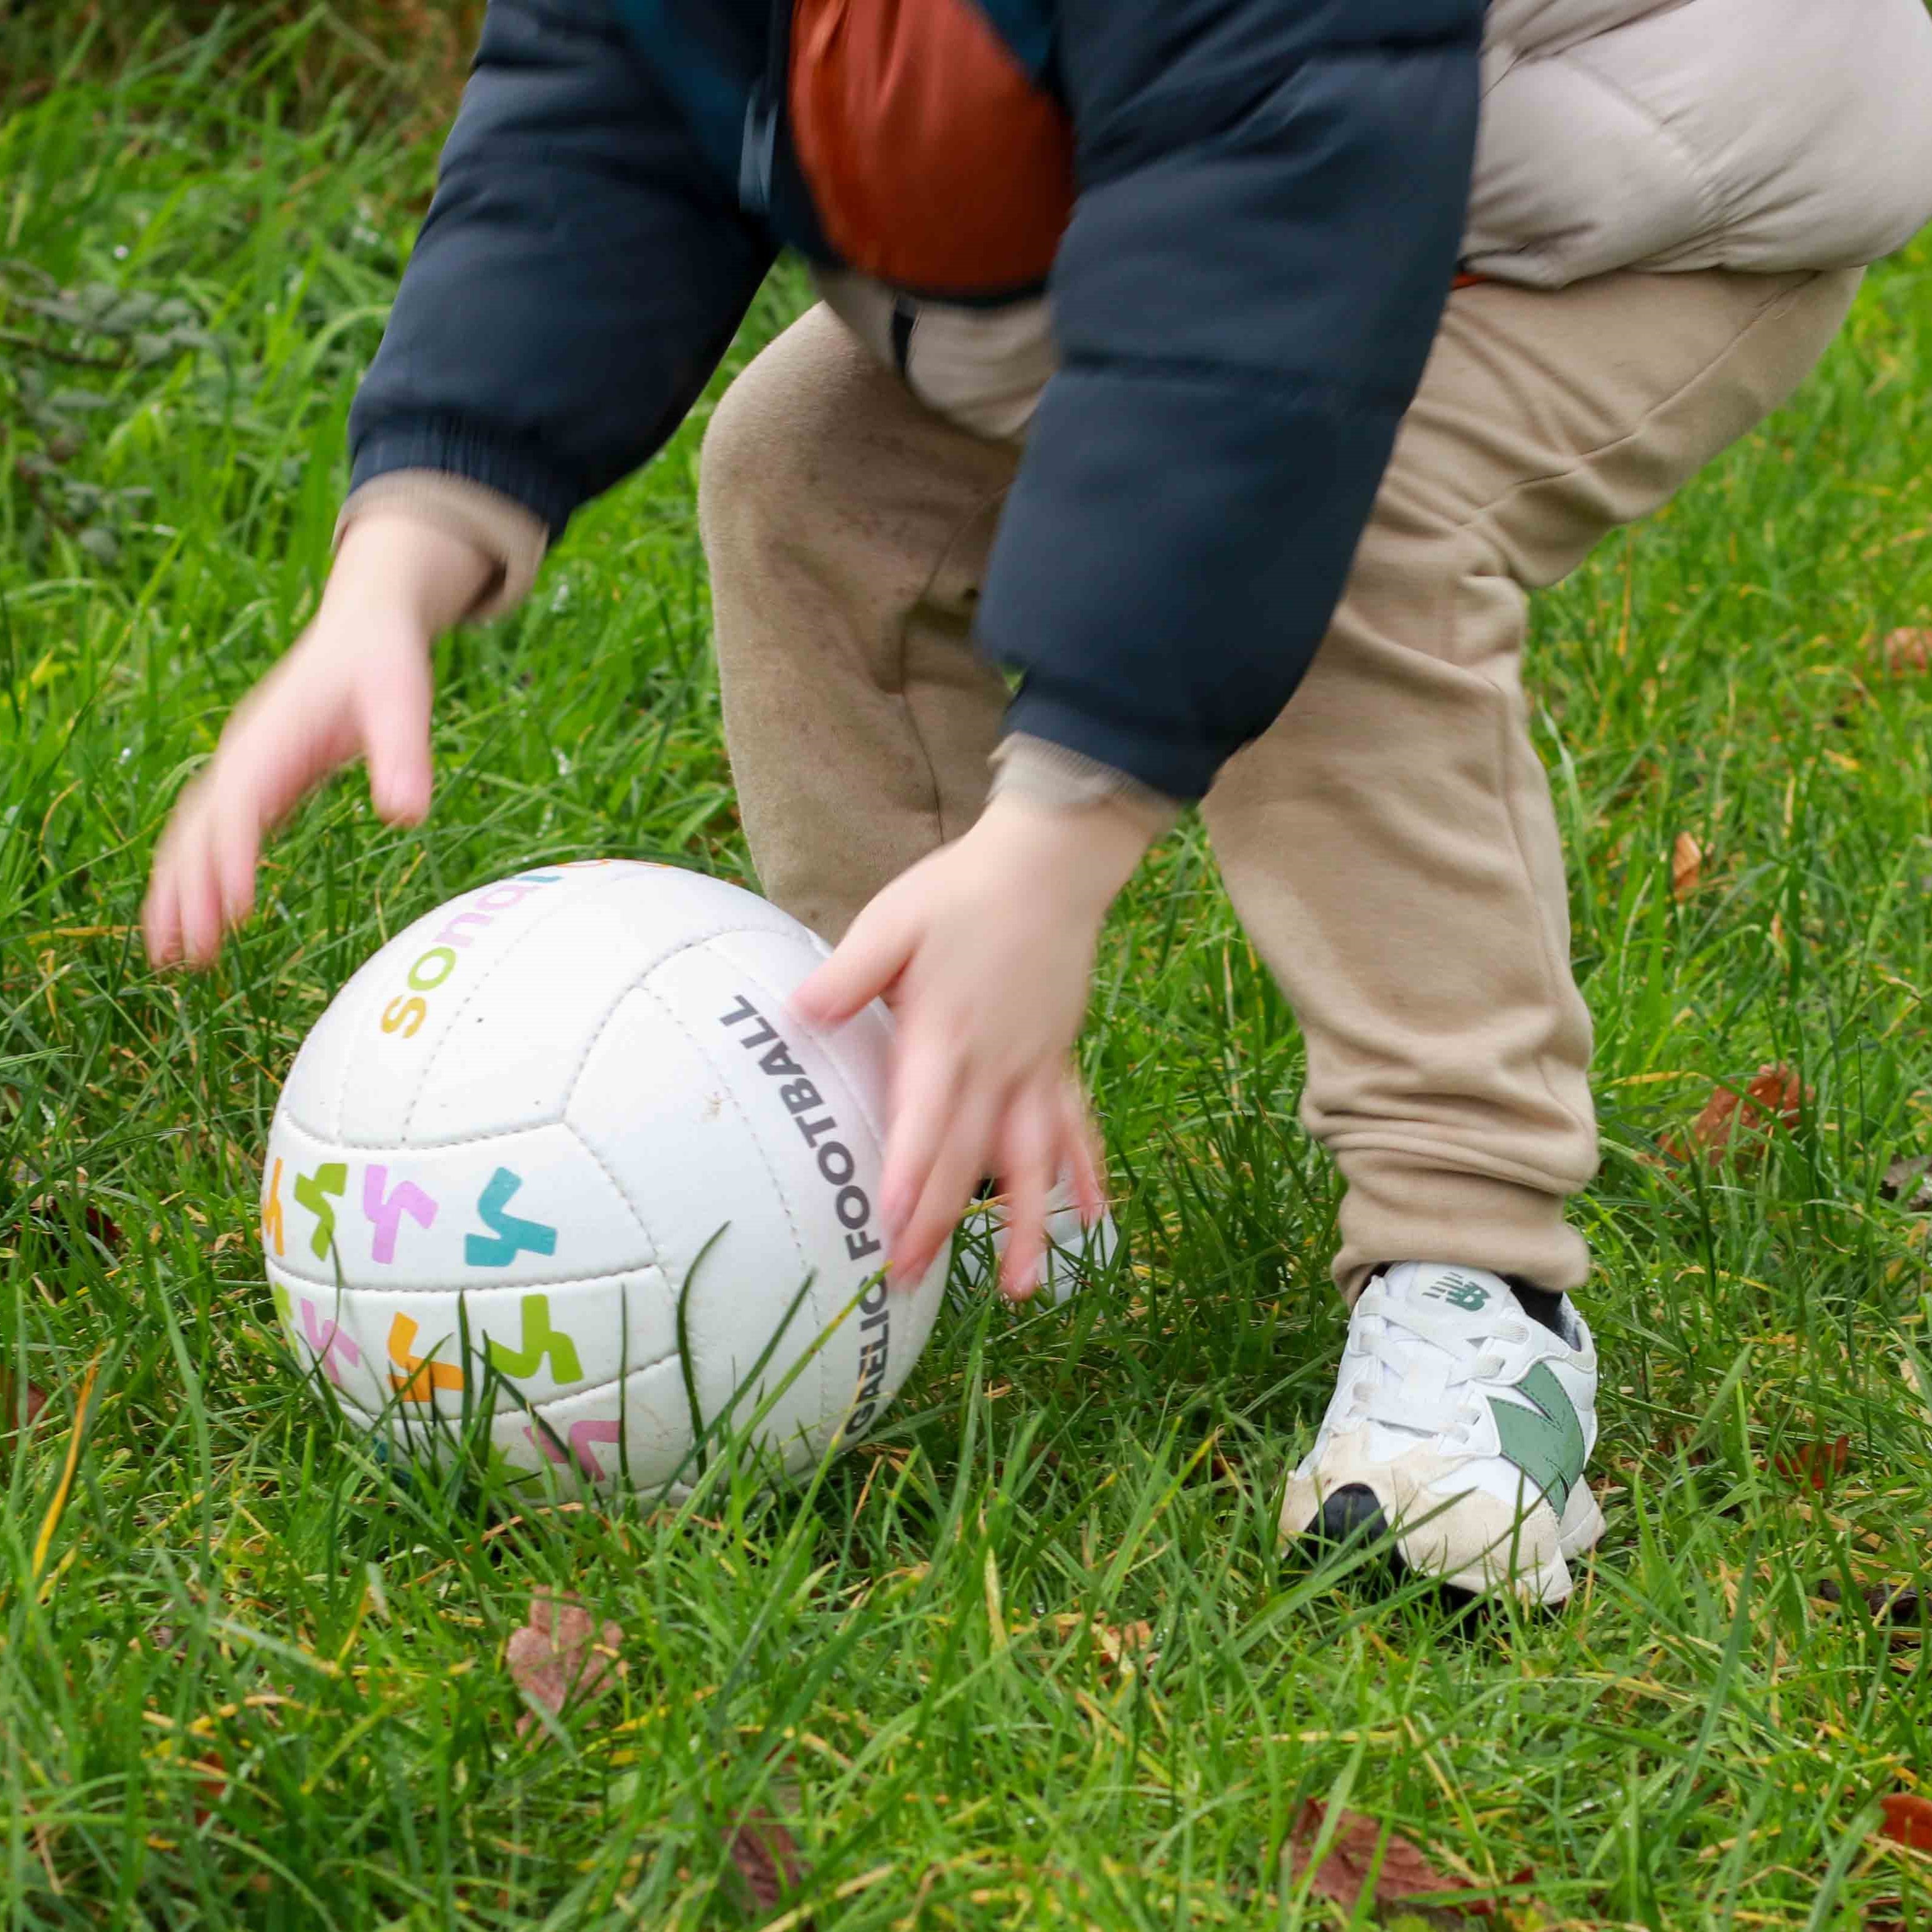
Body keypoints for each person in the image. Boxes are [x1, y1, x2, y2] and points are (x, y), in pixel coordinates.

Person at [143, 0, 1932, 1601]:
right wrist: (416, 532)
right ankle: (941, 1147)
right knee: (810, 472)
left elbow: (1253, 333)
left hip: (1632, 167)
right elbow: (599, 110)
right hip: (1213, 171)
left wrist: (1062, 828)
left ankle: (1478, 1286)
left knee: (1351, 540)